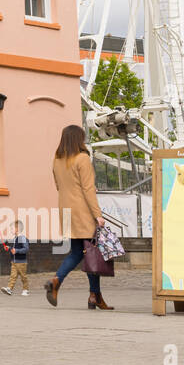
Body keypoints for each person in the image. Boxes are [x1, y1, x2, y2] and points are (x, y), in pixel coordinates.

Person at [44, 125, 111, 310]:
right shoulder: (82, 158)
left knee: (77, 252)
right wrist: (98, 215)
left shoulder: (57, 160)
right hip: (82, 211)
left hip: (65, 211)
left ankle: (61, 282)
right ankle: (93, 295)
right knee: (92, 253)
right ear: (78, 139)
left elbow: (59, 186)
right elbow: (88, 189)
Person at [1, 219, 30, 296]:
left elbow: (26, 249)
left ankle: (25, 289)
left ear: (17, 229)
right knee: (13, 276)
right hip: (14, 261)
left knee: (23, 276)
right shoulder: (15, 238)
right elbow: (14, 249)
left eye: (12, 228)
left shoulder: (22, 238)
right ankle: (9, 289)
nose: (10, 230)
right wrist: (9, 248)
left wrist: (16, 250)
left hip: (21, 262)